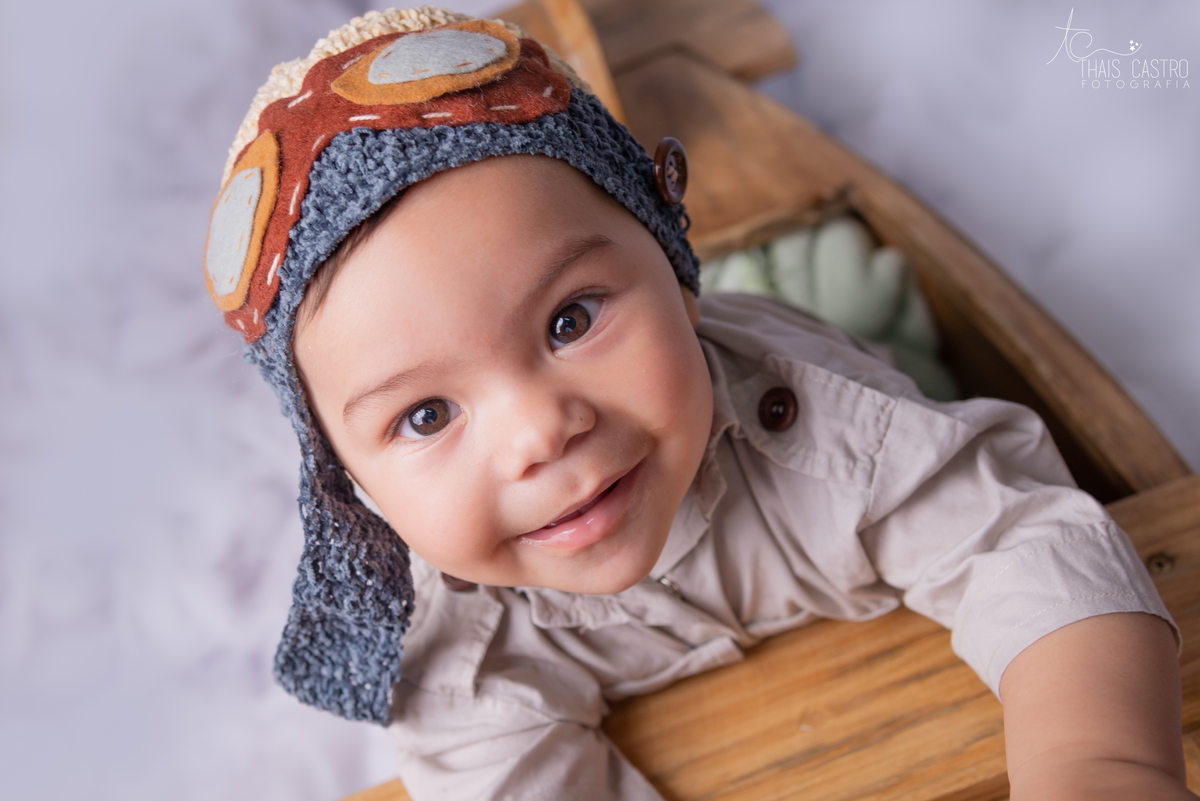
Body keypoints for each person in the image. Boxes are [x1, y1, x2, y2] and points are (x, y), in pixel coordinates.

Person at [202, 8, 1193, 800]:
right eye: (425, 417)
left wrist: (1100, 764)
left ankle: (819, 280)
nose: (540, 432)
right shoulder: (459, 648)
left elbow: (1023, 544)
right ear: (348, 484)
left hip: (814, 378)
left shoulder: (817, 426)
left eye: (571, 320)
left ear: (678, 270)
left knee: (853, 312)